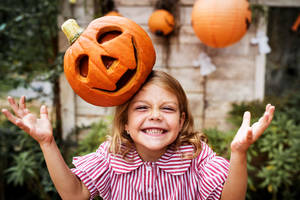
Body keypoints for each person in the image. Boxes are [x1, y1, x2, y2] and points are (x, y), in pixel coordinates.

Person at [1, 70, 275, 200]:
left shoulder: (195, 157)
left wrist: (239, 154)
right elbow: (74, 195)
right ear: (126, 123)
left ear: (181, 121)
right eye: (142, 108)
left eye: (166, 108)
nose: (155, 115)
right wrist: (47, 142)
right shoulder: (112, 156)